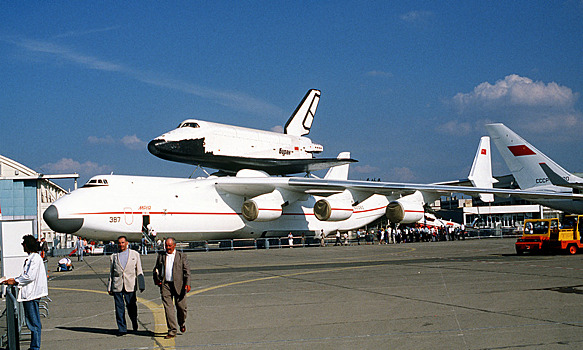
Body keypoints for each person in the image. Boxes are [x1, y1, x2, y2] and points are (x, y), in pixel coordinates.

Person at [2, 235, 49, 350]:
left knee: (33, 323)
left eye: (24, 244)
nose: (23, 245)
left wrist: (15, 281)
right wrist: (14, 279)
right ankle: (34, 346)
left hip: (31, 294)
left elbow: (29, 276)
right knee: (32, 322)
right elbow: (26, 276)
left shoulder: (35, 258)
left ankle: (35, 347)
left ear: (27, 245)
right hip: (30, 294)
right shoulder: (32, 258)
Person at [153, 237, 191, 339]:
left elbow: (187, 271)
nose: (168, 247)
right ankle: (172, 330)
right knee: (168, 309)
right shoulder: (161, 256)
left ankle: (181, 323)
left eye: (170, 246)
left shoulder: (181, 256)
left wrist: (188, 284)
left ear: (174, 245)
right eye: (166, 245)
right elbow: (156, 269)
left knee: (181, 308)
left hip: (179, 285)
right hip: (166, 285)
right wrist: (157, 280)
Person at [107, 236, 145, 336]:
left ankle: (134, 322)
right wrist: (109, 287)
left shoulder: (135, 254)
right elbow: (111, 273)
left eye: (123, 243)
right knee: (119, 308)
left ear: (127, 243)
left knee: (131, 307)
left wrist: (141, 285)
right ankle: (122, 329)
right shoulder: (113, 256)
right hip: (117, 285)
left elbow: (139, 270)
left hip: (130, 285)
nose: (121, 245)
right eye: (119, 243)